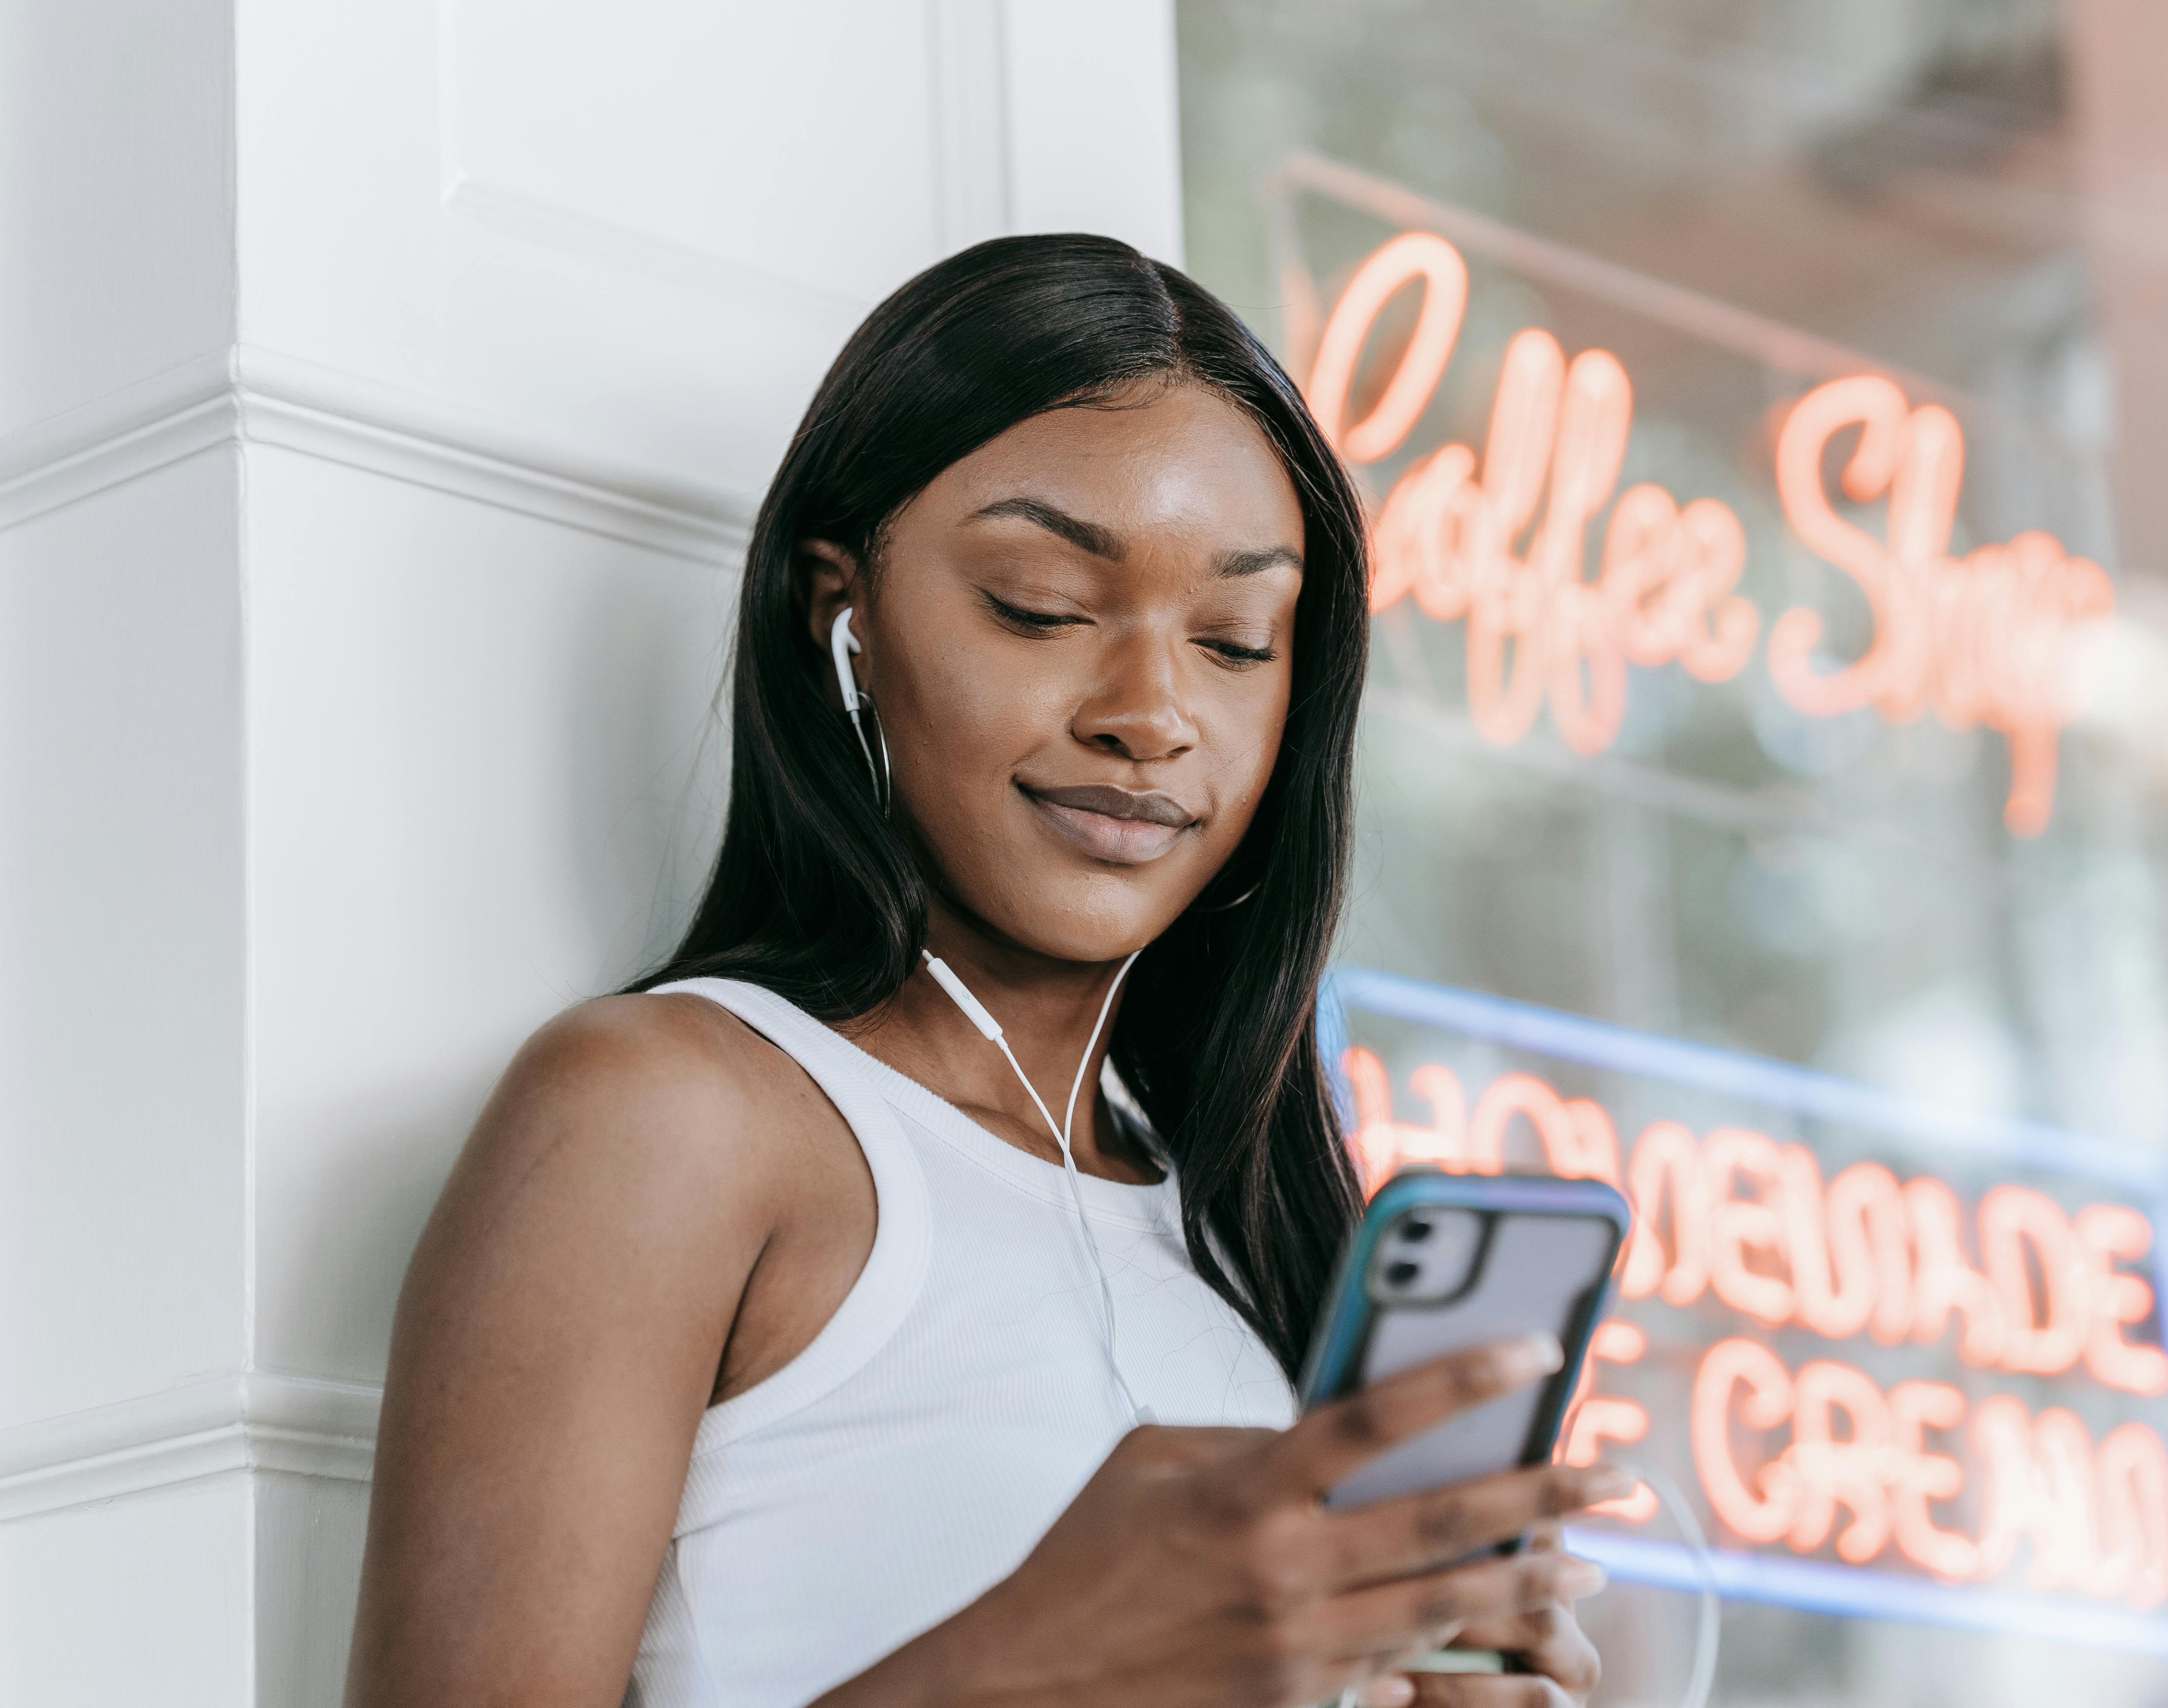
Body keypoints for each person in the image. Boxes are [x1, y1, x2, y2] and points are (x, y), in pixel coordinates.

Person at [345, 234, 1625, 1708]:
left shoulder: (1242, 1221)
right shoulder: (672, 1114)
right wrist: (1049, 1662)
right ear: (847, 619)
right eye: (1039, 606)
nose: (1152, 716)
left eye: (1234, 639)